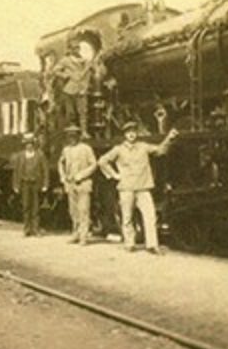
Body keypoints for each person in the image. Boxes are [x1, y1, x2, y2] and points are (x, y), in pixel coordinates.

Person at [98, 121, 178, 255]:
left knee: (150, 216)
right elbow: (102, 161)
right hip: (126, 188)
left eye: (134, 132)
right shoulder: (118, 149)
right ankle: (130, 244)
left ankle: (152, 245)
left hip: (143, 187)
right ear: (124, 134)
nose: (131, 135)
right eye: (128, 132)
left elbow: (160, 150)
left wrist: (169, 138)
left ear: (137, 133)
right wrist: (114, 175)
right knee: (127, 217)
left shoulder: (143, 147)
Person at [58, 125, 97, 245]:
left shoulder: (86, 148)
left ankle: (83, 236)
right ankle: (75, 233)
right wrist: (63, 176)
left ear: (78, 136)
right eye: (70, 136)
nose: (72, 138)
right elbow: (60, 162)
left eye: (74, 136)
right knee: (73, 210)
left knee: (84, 210)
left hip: (83, 184)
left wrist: (82, 175)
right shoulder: (66, 150)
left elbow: (94, 164)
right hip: (71, 184)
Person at [51, 41, 93, 136]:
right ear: (70, 50)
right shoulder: (65, 60)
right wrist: (65, 75)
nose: (77, 50)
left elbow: (89, 73)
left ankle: (84, 132)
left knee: (83, 111)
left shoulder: (84, 60)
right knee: (71, 112)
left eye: (78, 48)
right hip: (69, 89)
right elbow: (55, 70)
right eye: (74, 48)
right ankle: (72, 132)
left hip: (82, 88)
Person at [11, 133, 48, 236]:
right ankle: (26, 229)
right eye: (27, 144)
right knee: (26, 206)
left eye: (31, 144)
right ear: (25, 145)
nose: (29, 146)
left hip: (36, 183)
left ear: (34, 144)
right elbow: (16, 171)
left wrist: (45, 184)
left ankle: (35, 229)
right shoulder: (20, 156)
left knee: (36, 207)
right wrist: (16, 185)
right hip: (25, 183)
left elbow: (45, 170)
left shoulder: (40, 155)